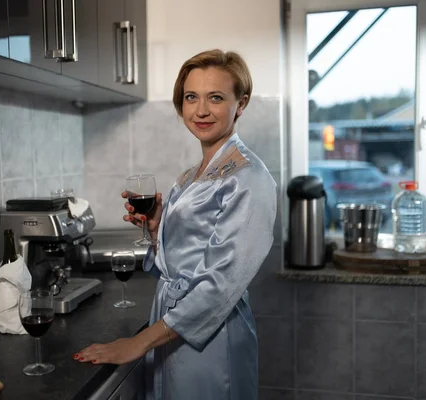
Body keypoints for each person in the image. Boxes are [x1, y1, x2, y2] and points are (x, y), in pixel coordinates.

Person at [74, 49, 277, 400]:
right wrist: (157, 230)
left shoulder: (249, 177)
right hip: (172, 325)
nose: (200, 110)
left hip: (211, 334)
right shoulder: (192, 175)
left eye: (215, 98)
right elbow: (185, 260)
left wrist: (138, 342)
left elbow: (221, 286)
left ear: (240, 103)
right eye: (190, 97)